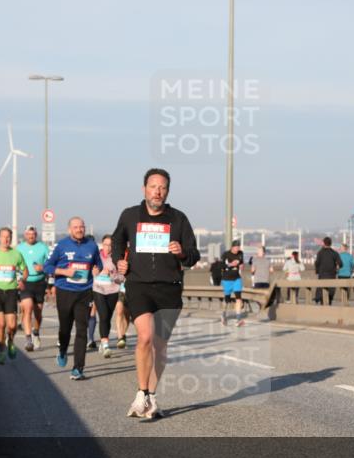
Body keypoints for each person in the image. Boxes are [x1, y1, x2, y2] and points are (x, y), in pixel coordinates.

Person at [112, 168, 200, 419]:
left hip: (170, 287)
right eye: (153, 186)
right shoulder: (130, 216)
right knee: (145, 337)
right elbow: (118, 242)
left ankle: (151, 395)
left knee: (160, 346)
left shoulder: (179, 219)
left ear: (167, 191)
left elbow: (194, 255)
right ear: (144, 189)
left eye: (162, 187)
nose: (157, 191)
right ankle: (141, 393)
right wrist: (119, 260)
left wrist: (182, 252)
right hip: (139, 285)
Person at [44, 217, 102, 380]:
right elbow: (47, 267)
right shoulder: (62, 246)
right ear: (69, 229)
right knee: (65, 328)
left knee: (82, 330)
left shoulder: (91, 246)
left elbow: (98, 265)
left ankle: (78, 368)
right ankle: (63, 350)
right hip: (65, 291)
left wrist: (97, 270)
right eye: (76, 227)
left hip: (84, 292)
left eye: (81, 227)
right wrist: (64, 272)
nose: (79, 229)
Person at [0, 228, 29, 364]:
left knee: (12, 326)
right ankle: (1, 351)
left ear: (11, 238)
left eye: (8, 237)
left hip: (11, 292)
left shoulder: (16, 255)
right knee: (1, 324)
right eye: (3, 237)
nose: (6, 239)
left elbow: (25, 271)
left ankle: (11, 341)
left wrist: (22, 281)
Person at [17, 225, 51, 352]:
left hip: (39, 282)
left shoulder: (43, 247)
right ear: (25, 235)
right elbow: (14, 264)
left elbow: (50, 263)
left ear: (36, 235)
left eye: (33, 234)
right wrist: (17, 279)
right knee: (28, 308)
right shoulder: (19, 248)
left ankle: (36, 332)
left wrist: (43, 267)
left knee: (38, 312)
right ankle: (28, 340)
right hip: (25, 282)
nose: (31, 236)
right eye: (29, 234)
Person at [93, 234, 123, 357]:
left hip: (113, 291)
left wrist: (112, 274)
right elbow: (89, 272)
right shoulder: (96, 257)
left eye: (110, 245)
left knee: (107, 318)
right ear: (102, 244)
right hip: (98, 290)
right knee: (103, 315)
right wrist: (93, 272)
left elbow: (122, 278)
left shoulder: (117, 259)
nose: (108, 247)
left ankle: (103, 340)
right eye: (105, 244)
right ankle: (105, 345)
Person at [219, 240, 246, 326]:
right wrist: (231, 264)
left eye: (238, 247)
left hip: (237, 278)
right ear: (232, 247)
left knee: (238, 298)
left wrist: (241, 266)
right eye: (235, 247)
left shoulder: (241, 253)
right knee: (227, 299)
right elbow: (221, 265)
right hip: (227, 279)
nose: (237, 249)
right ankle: (223, 315)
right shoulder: (226, 254)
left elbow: (241, 263)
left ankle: (238, 319)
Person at [313, 236, 343, 306]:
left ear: (324, 243)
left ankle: (321, 301)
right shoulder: (334, 253)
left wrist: (317, 271)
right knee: (331, 290)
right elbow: (341, 263)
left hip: (322, 274)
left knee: (321, 289)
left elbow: (317, 263)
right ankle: (329, 302)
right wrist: (337, 268)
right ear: (331, 243)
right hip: (331, 274)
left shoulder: (320, 252)